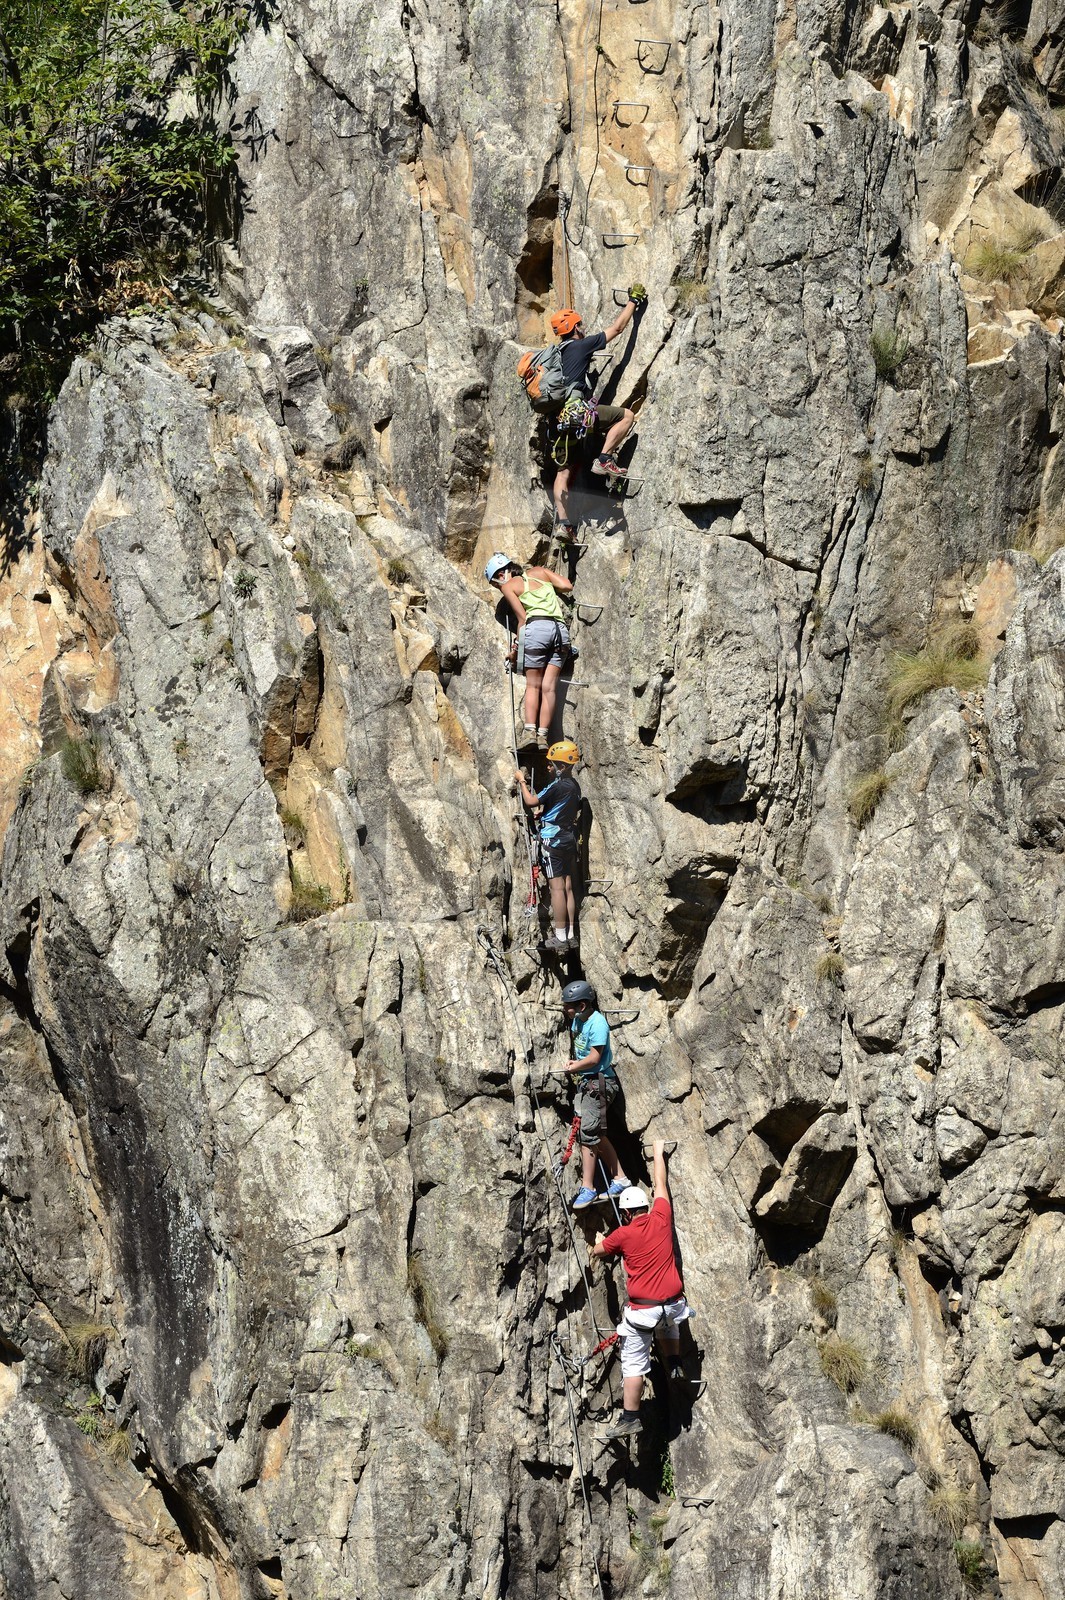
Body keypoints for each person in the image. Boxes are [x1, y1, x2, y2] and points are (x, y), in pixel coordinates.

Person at [590, 1140, 690, 1441]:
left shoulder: (623, 1234)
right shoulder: (662, 1217)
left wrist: (598, 1241)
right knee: (667, 1322)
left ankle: (630, 1417)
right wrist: (658, 1152)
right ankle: (674, 1364)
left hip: (644, 1311)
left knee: (634, 1361)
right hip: (673, 1304)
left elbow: (597, 1250)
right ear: (644, 1208)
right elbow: (660, 1182)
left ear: (626, 1213)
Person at [550, 289, 646, 534]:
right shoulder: (580, 346)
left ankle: (565, 526)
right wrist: (633, 302)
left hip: (559, 423)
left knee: (563, 471)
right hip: (579, 415)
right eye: (579, 325)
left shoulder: (554, 356)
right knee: (626, 416)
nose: (583, 328)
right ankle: (604, 459)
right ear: (574, 328)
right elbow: (617, 328)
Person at [484, 553, 573, 749]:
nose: (499, 589)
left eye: (495, 585)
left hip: (537, 629)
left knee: (533, 685)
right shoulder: (540, 572)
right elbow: (567, 585)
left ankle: (530, 733)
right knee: (549, 687)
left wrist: (515, 650)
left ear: (501, 575)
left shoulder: (509, 586)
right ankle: (543, 736)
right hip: (560, 631)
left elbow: (522, 619)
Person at [561, 979, 631, 1211]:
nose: (565, 1009)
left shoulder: (598, 1023)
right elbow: (583, 1056)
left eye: (568, 1005)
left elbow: (594, 1059)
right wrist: (576, 1064)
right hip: (588, 1080)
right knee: (593, 1133)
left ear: (582, 1005)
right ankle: (620, 1179)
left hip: (600, 1082)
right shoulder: (578, 1021)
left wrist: (576, 1066)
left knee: (589, 1132)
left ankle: (588, 1187)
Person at [516, 741, 582, 953]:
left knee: (556, 889)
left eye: (551, 764)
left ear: (561, 766)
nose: (548, 767)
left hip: (552, 840)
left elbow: (531, 801)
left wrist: (521, 782)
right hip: (568, 839)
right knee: (568, 886)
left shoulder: (557, 785)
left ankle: (560, 936)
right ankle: (571, 935)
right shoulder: (574, 786)